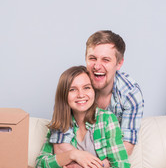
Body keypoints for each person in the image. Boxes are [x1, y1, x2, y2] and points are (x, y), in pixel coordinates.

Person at [35, 66, 133, 168]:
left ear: (93, 90)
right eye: (73, 89)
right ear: (64, 95)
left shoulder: (107, 120)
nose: (81, 95)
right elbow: (40, 166)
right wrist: (73, 155)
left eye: (86, 87)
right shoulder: (59, 127)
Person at [50, 30, 144, 160]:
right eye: (92, 58)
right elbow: (60, 143)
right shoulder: (73, 86)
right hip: (76, 160)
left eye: (106, 60)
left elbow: (126, 145)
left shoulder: (130, 94)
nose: (97, 66)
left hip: (108, 165)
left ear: (119, 63)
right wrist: (81, 161)